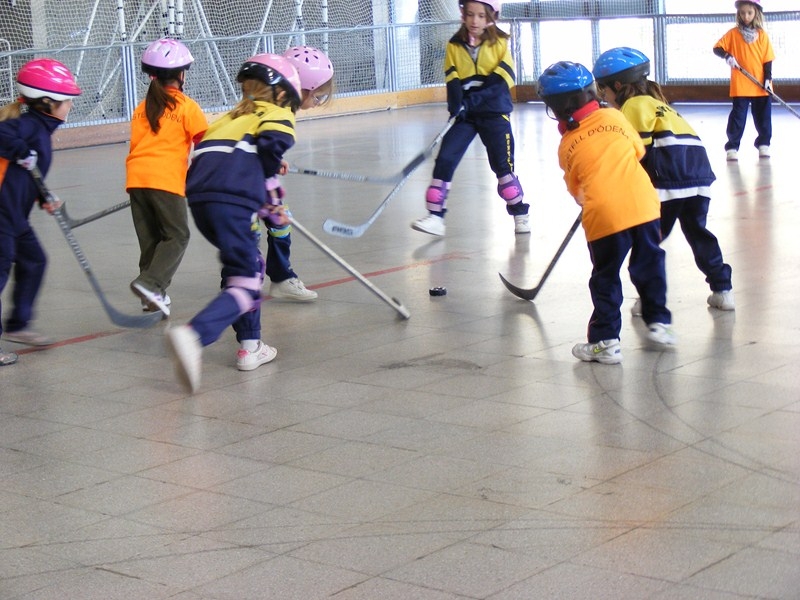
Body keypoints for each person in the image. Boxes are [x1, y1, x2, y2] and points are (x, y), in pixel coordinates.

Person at [165, 53, 302, 393]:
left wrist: (268, 204)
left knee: (247, 266)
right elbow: (273, 147)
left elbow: (235, 157)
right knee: (247, 283)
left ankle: (250, 346)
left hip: (200, 200)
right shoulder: (278, 112)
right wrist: (273, 200)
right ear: (282, 94)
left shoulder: (229, 116)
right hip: (232, 199)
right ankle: (194, 335)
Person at [537, 61, 675, 365]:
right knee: (648, 264)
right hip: (644, 204)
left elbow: (577, 191)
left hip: (604, 215)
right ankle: (659, 322)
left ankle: (605, 341)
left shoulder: (567, 144)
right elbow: (637, 152)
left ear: (556, 109)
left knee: (606, 277)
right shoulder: (615, 116)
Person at [592, 47, 735, 313]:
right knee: (698, 234)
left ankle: (648, 300)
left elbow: (635, 151)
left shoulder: (632, 106)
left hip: (668, 181)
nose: (604, 96)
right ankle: (722, 289)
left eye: (604, 89)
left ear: (618, 85)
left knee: (647, 242)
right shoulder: (660, 104)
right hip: (698, 177)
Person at [411, 0, 529, 237]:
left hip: (495, 114)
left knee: (504, 169)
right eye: (470, 15)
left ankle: (520, 214)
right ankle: (435, 218)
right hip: (465, 116)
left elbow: (502, 81)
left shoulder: (502, 43)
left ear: (490, 18)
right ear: (463, 15)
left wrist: (472, 101)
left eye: (481, 16)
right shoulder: (454, 45)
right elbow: (452, 80)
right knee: (445, 160)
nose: (475, 21)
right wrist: (455, 106)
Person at [0, 59, 81, 365]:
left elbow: (25, 175)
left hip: (14, 215)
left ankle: (19, 324)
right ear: (47, 103)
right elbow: (5, 138)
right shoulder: (27, 126)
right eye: (66, 101)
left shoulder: (39, 129)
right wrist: (20, 150)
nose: (70, 106)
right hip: (2, 216)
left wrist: (43, 197)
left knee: (34, 260)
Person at [127, 38, 208, 315]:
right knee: (176, 235)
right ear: (181, 74)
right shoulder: (186, 107)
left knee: (150, 239)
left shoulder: (142, 107)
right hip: (165, 180)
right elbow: (204, 145)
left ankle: (152, 295)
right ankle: (150, 283)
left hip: (136, 180)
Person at [256, 45, 335, 303]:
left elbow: (265, 143)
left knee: (280, 222)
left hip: (262, 176)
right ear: (299, 88)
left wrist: (276, 159)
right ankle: (236, 284)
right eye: (317, 97)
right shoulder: (273, 110)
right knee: (247, 231)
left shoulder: (281, 106)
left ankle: (280, 278)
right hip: (244, 181)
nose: (316, 103)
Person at [713, 0, 775, 161]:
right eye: (742, 13)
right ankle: (732, 147)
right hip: (741, 84)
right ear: (738, 14)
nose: (746, 16)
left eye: (749, 13)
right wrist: (727, 56)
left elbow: (767, 59)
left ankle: (764, 144)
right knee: (738, 117)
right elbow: (717, 48)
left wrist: (768, 78)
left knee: (763, 117)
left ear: (756, 13)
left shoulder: (762, 35)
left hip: (761, 85)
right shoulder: (733, 34)